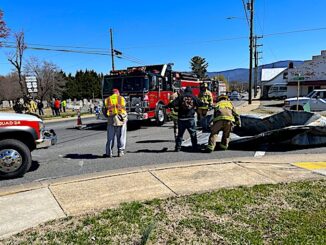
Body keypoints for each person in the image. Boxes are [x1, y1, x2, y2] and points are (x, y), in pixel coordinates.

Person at [167, 86, 204, 152]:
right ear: (191, 91)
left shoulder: (181, 97)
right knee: (193, 133)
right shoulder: (193, 97)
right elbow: (200, 104)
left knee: (180, 134)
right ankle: (195, 147)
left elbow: (173, 104)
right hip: (190, 118)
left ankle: (177, 148)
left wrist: (166, 106)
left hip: (181, 119)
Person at [104, 89, 128, 158]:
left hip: (111, 120)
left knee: (110, 137)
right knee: (121, 136)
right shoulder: (121, 98)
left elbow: (105, 111)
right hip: (120, 119)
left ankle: (109, 153)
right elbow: (124, 108)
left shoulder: (107, 100)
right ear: (118, 93)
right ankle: (120, 151)